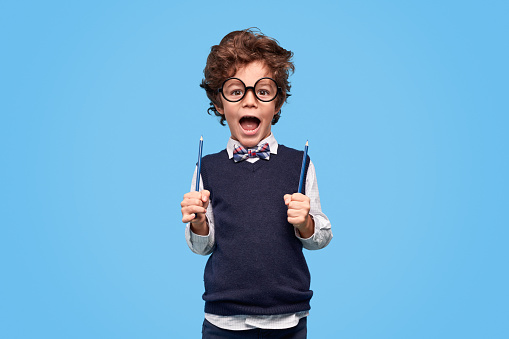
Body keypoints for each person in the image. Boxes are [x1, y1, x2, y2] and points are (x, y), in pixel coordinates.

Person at [180, 28, 332, 339]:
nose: (250, 102)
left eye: (262, 91)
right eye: (236, 91)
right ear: (220, 103)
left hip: (287, 319)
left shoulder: (299, 165)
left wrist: (304, 222)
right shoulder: (206, 167)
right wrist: (198, 223)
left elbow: (320, 237)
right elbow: (202, 247)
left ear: (277, 103)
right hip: (224, 321)